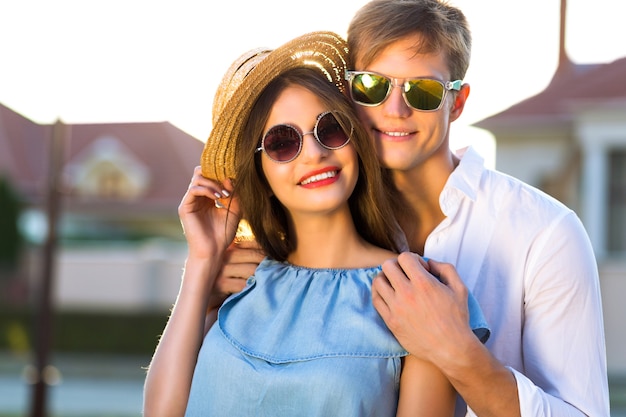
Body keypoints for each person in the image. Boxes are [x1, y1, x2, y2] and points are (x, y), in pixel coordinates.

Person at [210, 1, 610, 416]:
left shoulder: (546, 233)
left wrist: (454, 348)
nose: (395, 110)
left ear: (456, 103)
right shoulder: (314, 227)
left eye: (422, 91)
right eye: (372, 85)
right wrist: (212, 289)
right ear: (347, 94)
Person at [143, 31, 489, 417]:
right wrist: (202, 263)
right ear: (261, 173)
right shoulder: (234, 287)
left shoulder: (414, 292)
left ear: (355, 140)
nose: (315, 152)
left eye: (330, 128)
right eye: (282, 142)